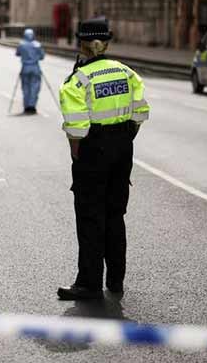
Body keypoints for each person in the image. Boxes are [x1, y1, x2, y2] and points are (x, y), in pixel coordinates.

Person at [57, 18, 150, 300]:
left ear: (80, 45)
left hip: (92, 150)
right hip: (123, 147)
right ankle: (116, 281)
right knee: (115, 214)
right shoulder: (126, 72)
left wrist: (78, 154)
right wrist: (122, 142)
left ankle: (88, 283)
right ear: (107, 43)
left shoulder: (78, 79)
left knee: (90, 217)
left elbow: (76, 127)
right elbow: (140, 113)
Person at [16, 28, 45, 114]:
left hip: (25, 68)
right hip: (35, 68)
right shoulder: (37, 45)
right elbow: (42, 56)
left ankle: (26, 106)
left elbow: (17, 53)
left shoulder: (21, 45)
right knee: (35, 87)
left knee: (25, 87)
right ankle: (32, 106)